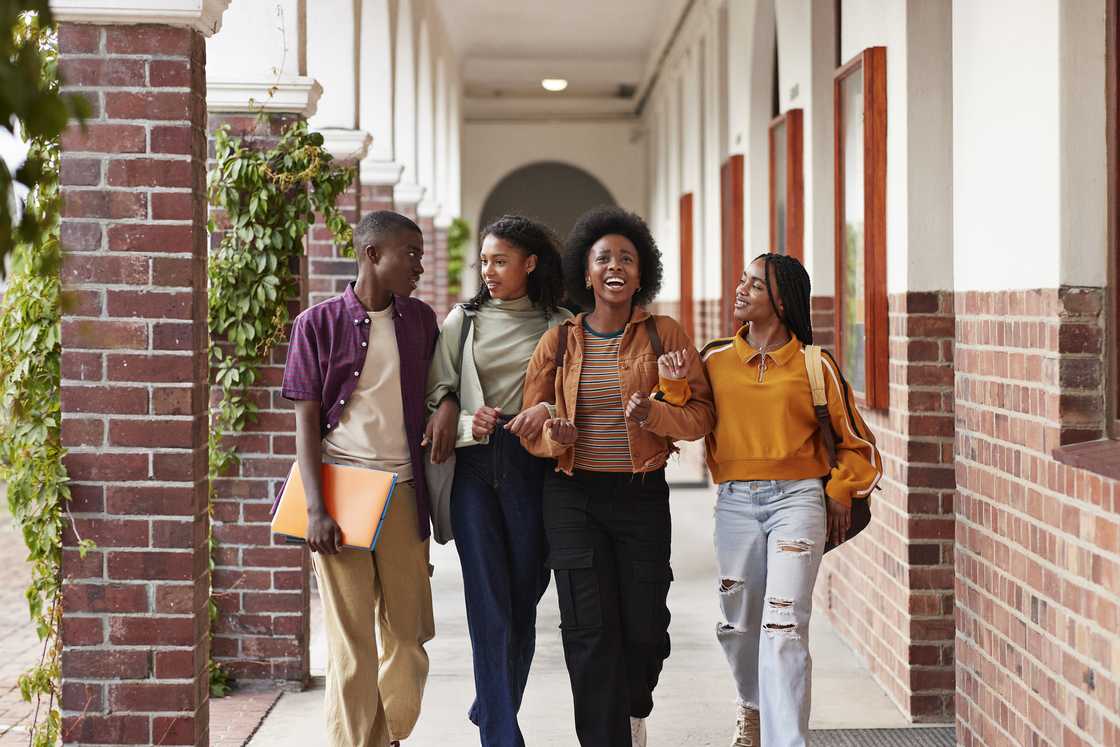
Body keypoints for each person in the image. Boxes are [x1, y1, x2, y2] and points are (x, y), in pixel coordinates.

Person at [519, 206, 716, 747]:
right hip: (572, 494)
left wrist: (654, 414)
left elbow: (700, 418)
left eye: (626, 258)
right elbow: (530, 425)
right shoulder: (558, 342)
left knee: (646, 629)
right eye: (602, 257)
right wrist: (551, 436)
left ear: (641, 272)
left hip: (641, 495)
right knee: (588, 627)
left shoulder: (663, 334)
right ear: (585, 272)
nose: (614, 266)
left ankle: (634, 707)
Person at [684, 253, 882, 747]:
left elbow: (860, 444)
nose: (741, 288)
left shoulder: (816, 365)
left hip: (798, 502)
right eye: (742, 279)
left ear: (781, 299)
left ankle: (786, 741)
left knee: (785, 624)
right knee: (739, 622)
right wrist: (668, 383)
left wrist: (837, 490)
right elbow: (684, 413)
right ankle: (750, 706)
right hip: (734, 503)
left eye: (754, 283)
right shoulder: (714, 359)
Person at [282, 211, 437, 747]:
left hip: (403, 492)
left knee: (409, 634)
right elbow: (304, 424)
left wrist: (446, 410)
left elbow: (440, 391)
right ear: (373, 254)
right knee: (351, 646)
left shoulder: (420, 321)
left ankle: (390, 732)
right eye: (410, 253)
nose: (420, 264)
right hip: (342, 491)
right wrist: (317, 508)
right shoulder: (316, 324)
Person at [425, 215, 571, 747]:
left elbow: (580, 394)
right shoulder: (461, 321)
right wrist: (468, 419)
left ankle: (492, 702)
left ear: (529, 264)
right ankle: (501, 732)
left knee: (525, 593)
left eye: (500, 260)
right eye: (484, 261)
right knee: (487, 598)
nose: (489, 270)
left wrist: (548, 407)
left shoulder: (562, 322)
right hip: (476, 465)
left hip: (536, 465)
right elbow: (438, 392)